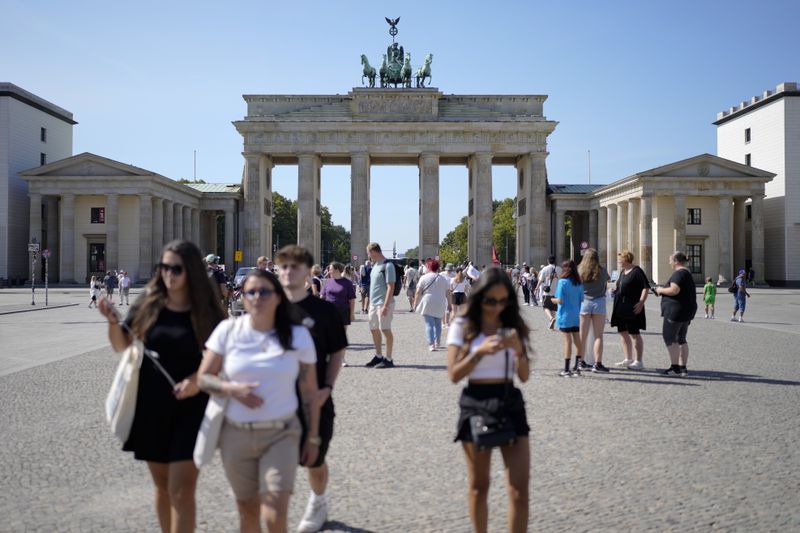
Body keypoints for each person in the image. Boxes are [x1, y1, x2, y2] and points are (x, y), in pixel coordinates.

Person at [98, 240, 226, 533]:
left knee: (181, 489)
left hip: (192, 406)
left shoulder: (208, 312)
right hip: (151, 405)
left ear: (191, 271)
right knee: (163, 487)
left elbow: (221, 359)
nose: (169, 274)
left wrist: (196, 381)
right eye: (164, 267)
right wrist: (111, 323)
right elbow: (122, 346)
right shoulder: (148, 303)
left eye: (176, 269)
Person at [197, 269, 322, 533]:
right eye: (250, 291)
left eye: (264, 291)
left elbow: (310, 392)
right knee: (247, 512)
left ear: (278, 297)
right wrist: (231, 388)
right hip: (235, 436)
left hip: (282, 434)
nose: (256, 297)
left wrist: (312, 437)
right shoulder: (227, 330)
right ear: (242, 296)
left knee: (274, 515)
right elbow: (204, 378)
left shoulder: (297, 335)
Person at [446, 267, 531, 533]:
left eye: (504, 300)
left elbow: (524, 376)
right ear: (479, 297)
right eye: (491, 301)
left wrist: (518, 351)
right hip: (476, 402)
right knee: (479, 486)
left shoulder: (512, 324)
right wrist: (479, 352)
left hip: (509, 399)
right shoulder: (462, 324)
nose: (497, 307)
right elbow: (454, 374)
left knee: (519, 490)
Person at [274, 246, 348, 532]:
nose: (289, 271)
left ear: (308, 272)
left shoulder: (324, 311)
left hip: (313, 399)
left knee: (315, 460)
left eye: (296, 266)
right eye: (284, 266)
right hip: (274, 401)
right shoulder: (267, 306)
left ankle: (318, 500)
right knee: (274, 463)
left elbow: (337, 352)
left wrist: (327, 387)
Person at [654, 252, 698, 376]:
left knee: (669, 337)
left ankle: (675, 368)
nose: (669, 263)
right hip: (686, 311)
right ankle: (683, 367)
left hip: (675, 312)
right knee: (681, 339)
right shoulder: (687, 273)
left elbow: (674, 290)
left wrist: (660, 290)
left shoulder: (678, 274)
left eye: (670, 260)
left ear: (676, 261)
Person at [610, 250, 649, 370]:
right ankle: (628, 358)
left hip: (632, 306)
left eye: (620, 259)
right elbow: (620, 286)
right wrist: (614, 290)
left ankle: (639, 361)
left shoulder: (637, 271)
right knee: (622, 331)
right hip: (620, 306)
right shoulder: (623, 271)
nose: (618, 261)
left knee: (634, 333)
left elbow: (645, 287)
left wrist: (641, 302)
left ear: (626, 259)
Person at [578, 249, 611, 373]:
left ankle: (581, 361)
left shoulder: (580, 270)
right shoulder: (602, 271)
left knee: (583, 335)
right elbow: (605, 285)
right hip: (599, 302)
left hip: (584, 303)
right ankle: (597, 364)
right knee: (598, 336)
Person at [365, 243, 396, 368]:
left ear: (373, 251)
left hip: (383, 303)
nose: (368, 255)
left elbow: (391, 286)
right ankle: (378, 355)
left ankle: (389, 358)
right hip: (373, 303)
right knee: (373, 329)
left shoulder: (388, 265)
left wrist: (385, 306)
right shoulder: (375, 266)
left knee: (385, 329)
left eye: (368, 253)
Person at [551, 260, 584, 376]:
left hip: (565, 315)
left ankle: (566, 369)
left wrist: (551, 300)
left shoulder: (562, 282)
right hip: (576, 314)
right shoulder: (579, 283)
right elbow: (581, 299)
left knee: (567, 342)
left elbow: (560, 300)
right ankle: (577, 366)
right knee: (577, 340)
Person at [414, 259, 451, 351]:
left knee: (429, 324)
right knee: (438, 323)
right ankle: (437, 342)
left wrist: (415, 303)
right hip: (440, 301)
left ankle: (431, 344)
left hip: (428, 301)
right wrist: (449, 304)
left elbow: (418, 292)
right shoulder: (443, 278)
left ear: (428, 267)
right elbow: (448, 292)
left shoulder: (424, 277)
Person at [320, 262, 356, 332]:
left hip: (343, 311)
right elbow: (322, 297)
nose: (328, 271)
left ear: (337, 270)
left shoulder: (347, 283)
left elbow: (352, 300)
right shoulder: (327, 282)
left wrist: (352, 314)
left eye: (330, 269)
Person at [536, 256, 561, 329]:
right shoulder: (559, 269)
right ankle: (551, 324)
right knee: (553, 308)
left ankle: (551, 318)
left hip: (546, 292)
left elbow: (540, 280)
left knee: (545, 307)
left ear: (548, 261)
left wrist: (537, 288)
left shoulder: (545, 269)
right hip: (556, 293)